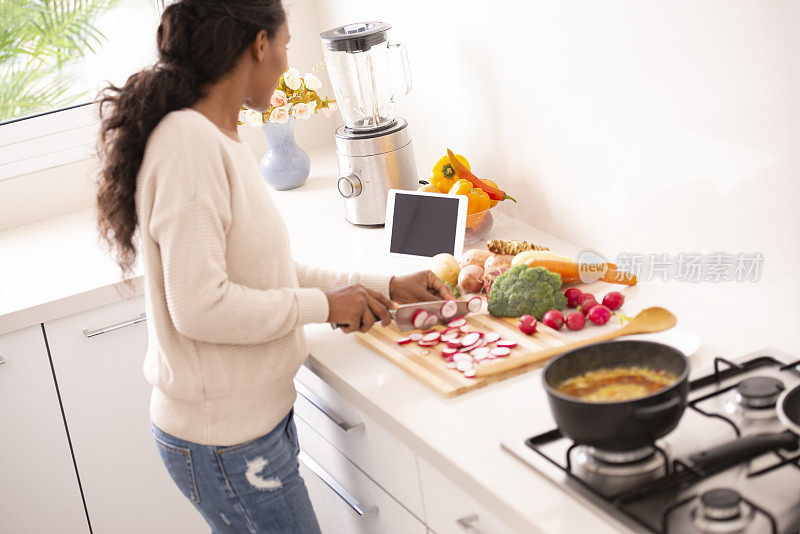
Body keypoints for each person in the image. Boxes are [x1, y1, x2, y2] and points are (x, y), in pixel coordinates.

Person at [94, 1, 453, 532]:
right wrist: (326, 305)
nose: (287, 64)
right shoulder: (189, 144)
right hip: (223, 441)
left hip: (247, 430)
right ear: (258, 45)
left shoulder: (219, 138)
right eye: (284, 46)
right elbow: (200, 307)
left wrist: (386, 286)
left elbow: (266, 272)